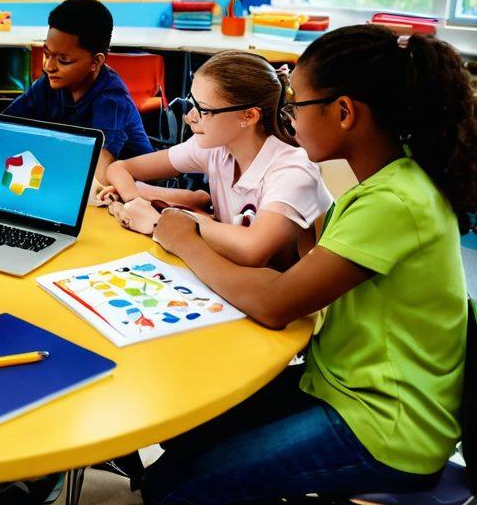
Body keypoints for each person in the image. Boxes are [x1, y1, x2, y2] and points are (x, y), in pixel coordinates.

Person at [142, 26, 476, 504]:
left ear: (343, 112)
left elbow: (277, 304)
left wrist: (186, 236)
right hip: (337, 384)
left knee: (182, 488)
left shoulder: (396, 201)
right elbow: (295, 278)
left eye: (296, 103)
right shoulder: (383, 183)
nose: (289, 117)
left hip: (385, 425)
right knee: (182, 438)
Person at [104, 51, 331, 268]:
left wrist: (169, 218)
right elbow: (119, 168)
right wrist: (136, 202)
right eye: (192, 103)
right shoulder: (217, 147)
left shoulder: (292, 170)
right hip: (233, 279)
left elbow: (253, 250)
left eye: (204, 110)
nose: (189, 116)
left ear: (249, 116)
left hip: (280, 296)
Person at [5, 0, 152, 183]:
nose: (48, 66)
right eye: (47, 54)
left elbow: (101, 173)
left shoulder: (111, 100)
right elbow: (5, 125)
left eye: (63, 60)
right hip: (74, 173)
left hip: (131, 192)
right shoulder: (50, 82)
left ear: (96, 62)